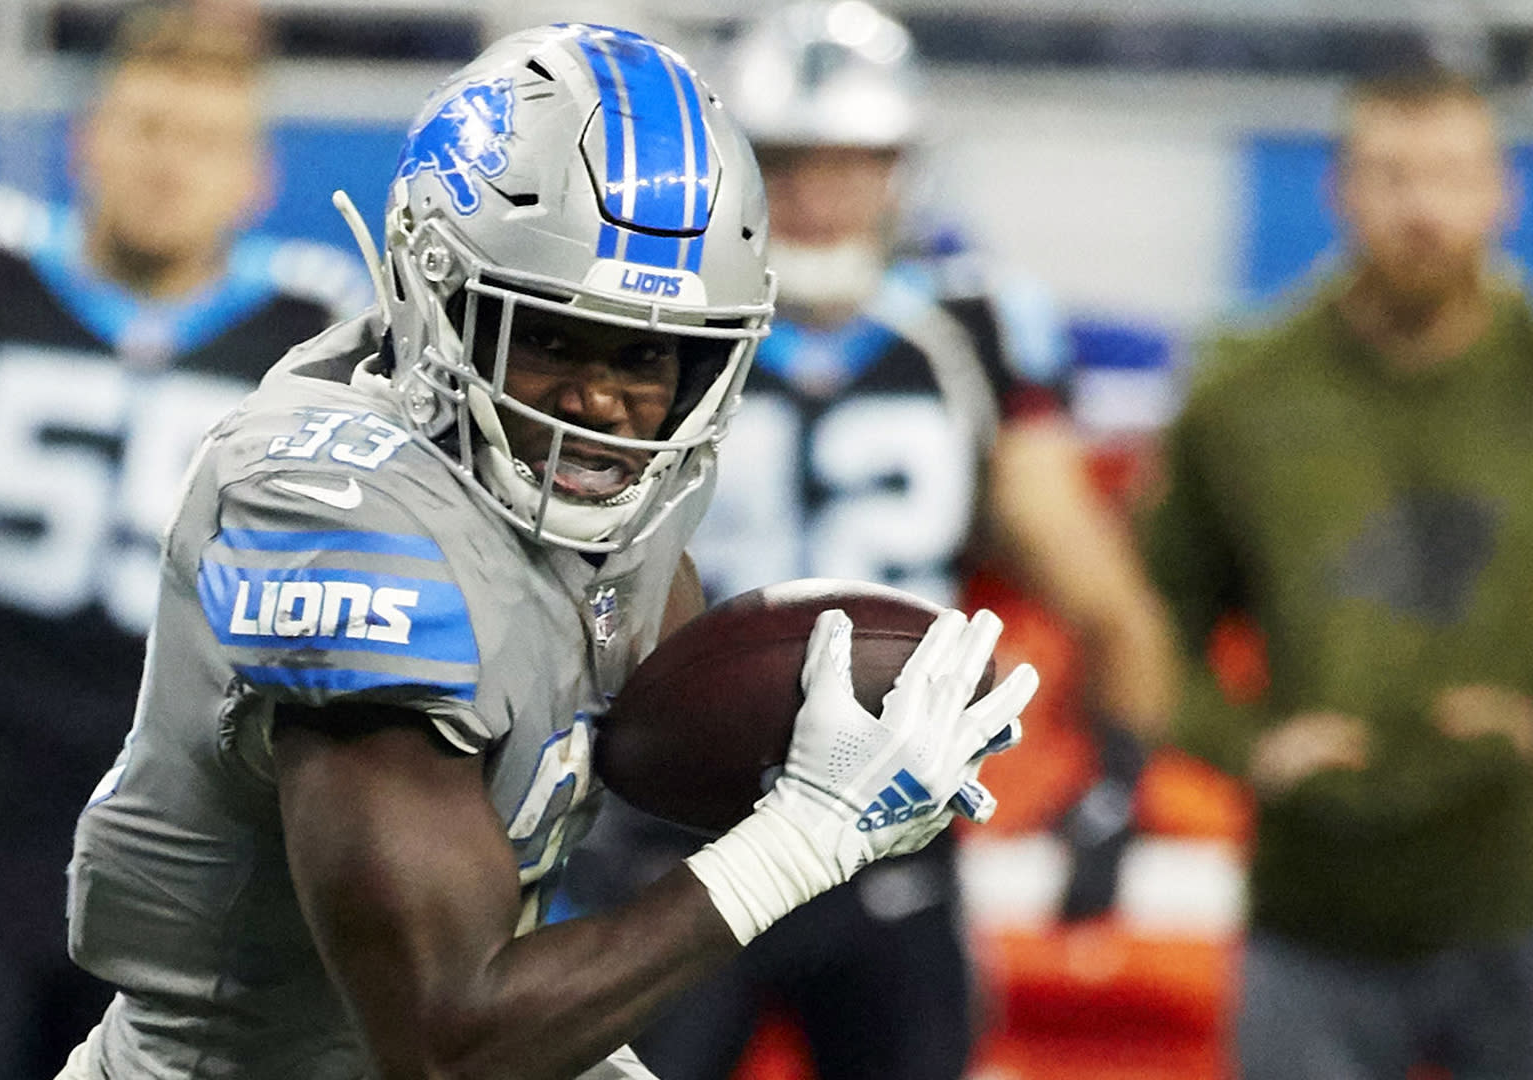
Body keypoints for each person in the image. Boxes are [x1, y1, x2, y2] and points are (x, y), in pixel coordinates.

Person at [56, 21, 1039, 1080]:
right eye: (552, 337)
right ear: (438, 297)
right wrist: (805, 836)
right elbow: (445, 1045)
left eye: (649, 355)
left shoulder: (630, 494)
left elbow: (656, 746)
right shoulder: (338, 510)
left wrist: (840, 759)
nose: (601, 404)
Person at [562, 6, 1179, 1079]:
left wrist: (1120, 776)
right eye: (791, 163)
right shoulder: (659, 323)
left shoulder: (962, 328)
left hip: (895, 826)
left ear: (901, 169)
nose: (818, 196)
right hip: (680, 826)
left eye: (852, 163)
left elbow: (1095, 585)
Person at [0, 7, 367, 1078]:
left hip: (194, 838)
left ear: (257, 178)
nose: (170, 166)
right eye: (147, 130)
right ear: (87, 143)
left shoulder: (317, 339)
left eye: (205, 141)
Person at [1146, 65, 1533, 1080]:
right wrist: (1246, 745)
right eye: (1392, 176)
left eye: (1451, 176)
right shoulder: (1246, 392)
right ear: (1339, 191)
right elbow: (1151, 623)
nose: (1423, 211)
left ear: (1506, 193)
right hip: (1313, 914)